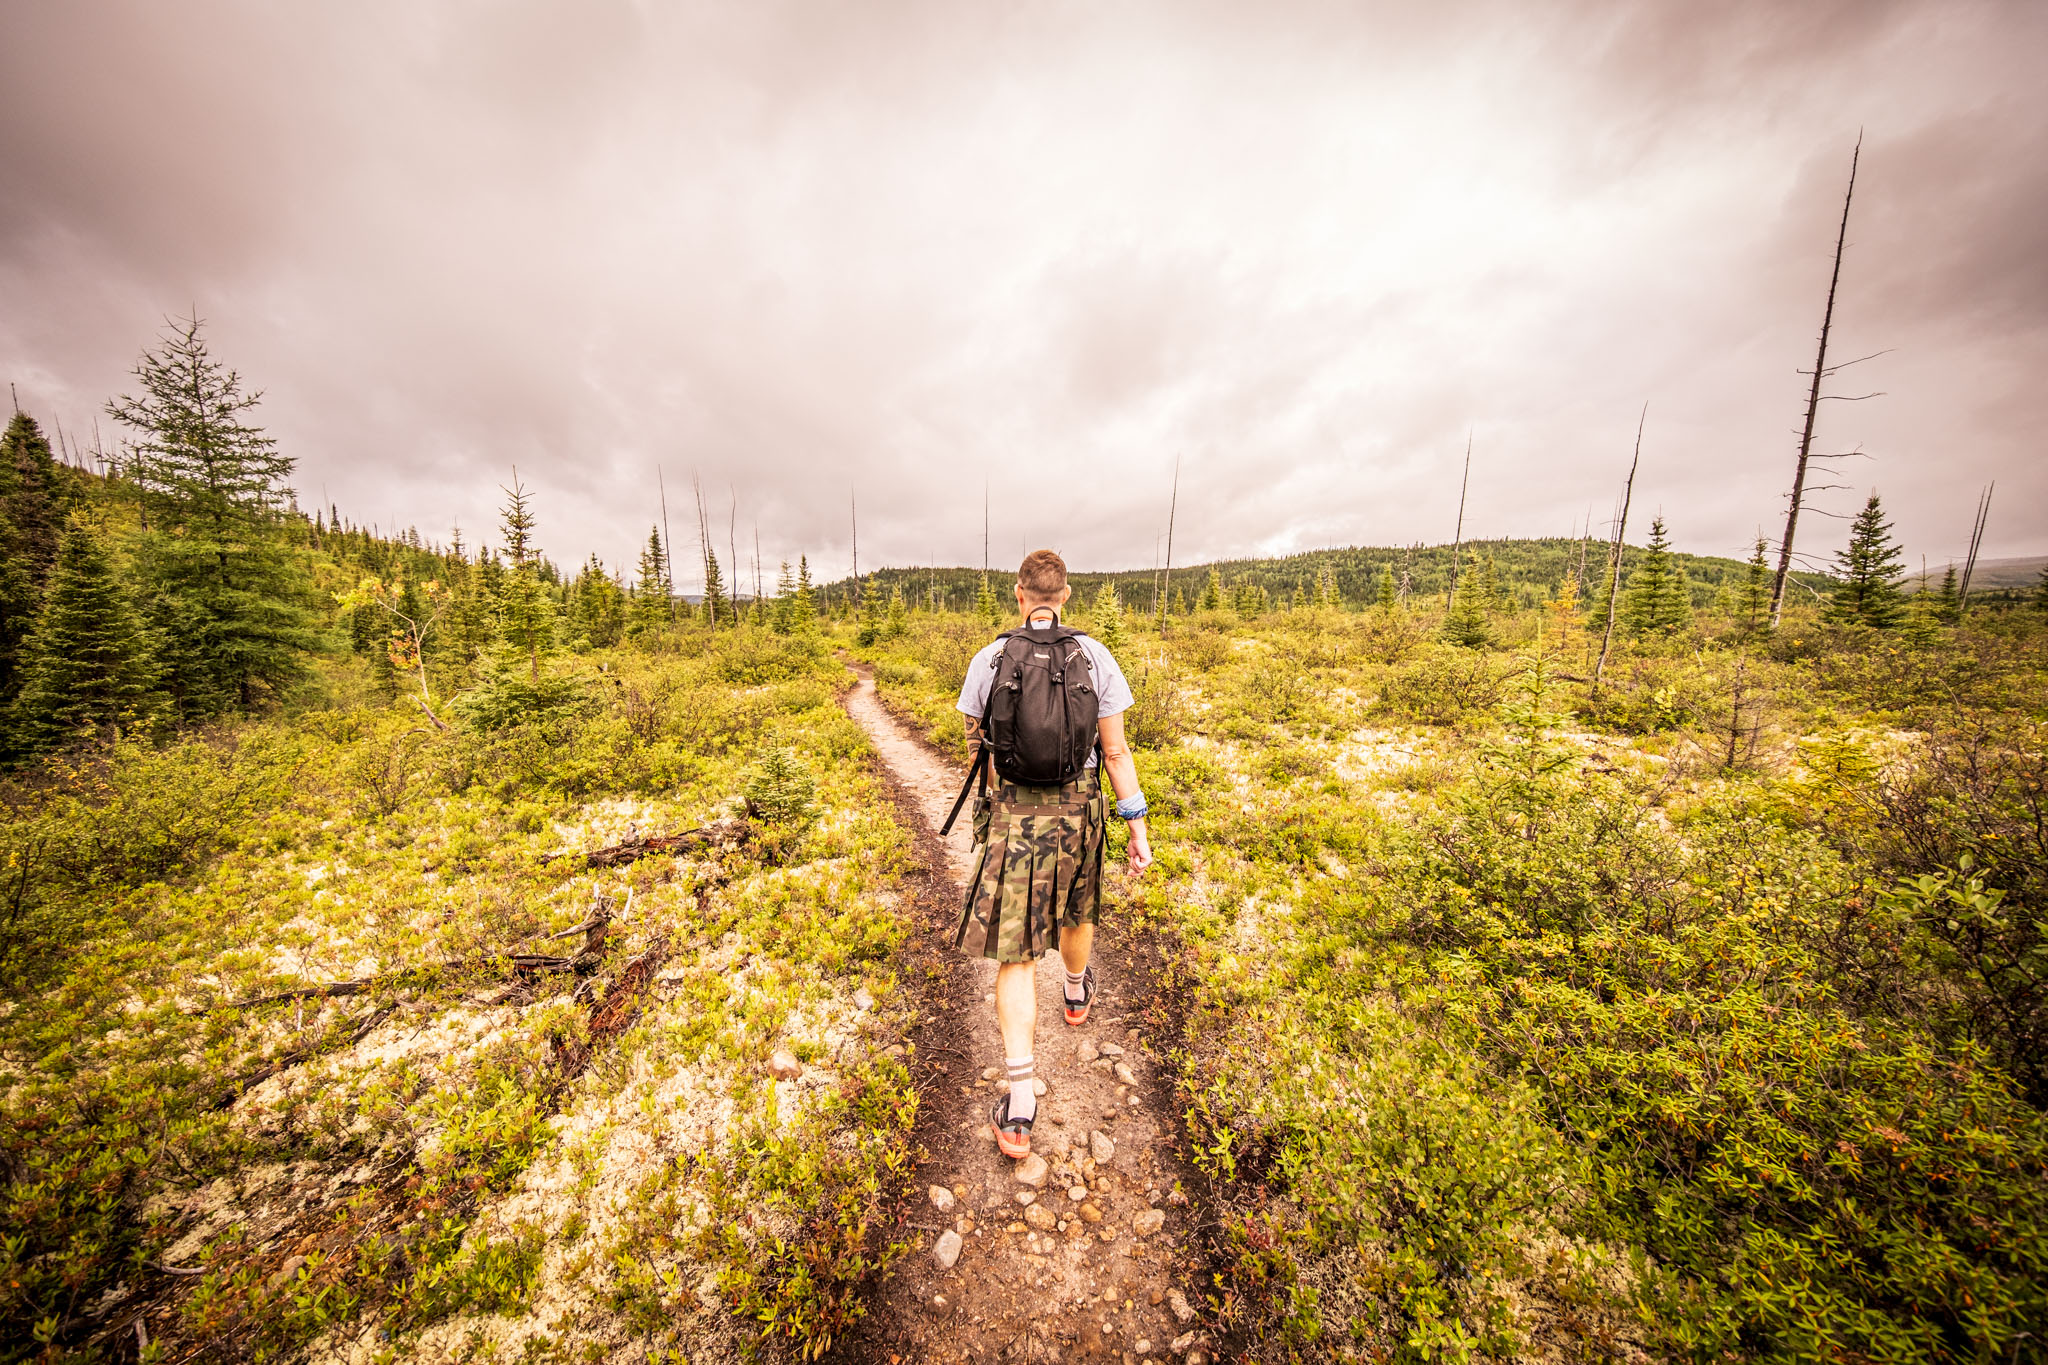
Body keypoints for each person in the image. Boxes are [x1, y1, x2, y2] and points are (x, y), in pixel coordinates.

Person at [955, 549, 1153, 1159]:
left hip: (1013, 814)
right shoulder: (1095, 657)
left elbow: (977, 747)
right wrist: (1136, 823)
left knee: (1013, 953)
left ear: (1021, 594)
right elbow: (1115, 753)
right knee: (1077, 911)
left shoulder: (990, 658)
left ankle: (1018, 1106)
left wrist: (995, 816)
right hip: (1079, 809)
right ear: (1065, 595)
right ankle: (1074, 991)